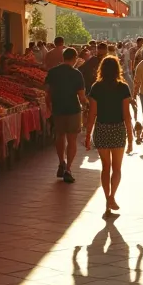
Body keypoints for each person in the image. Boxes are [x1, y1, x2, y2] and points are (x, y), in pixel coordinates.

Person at [84, 57, 133, 213]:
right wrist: (131, 138)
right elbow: (127, 115)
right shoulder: (123, 88)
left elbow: (92, 114)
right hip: (118, 129)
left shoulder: (96, 87)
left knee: (106, 167)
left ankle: (108, 199)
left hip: (102, 128)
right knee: (117, 168)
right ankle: (112, 197)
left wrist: (87, 136)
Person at [46, 47, 87, 184]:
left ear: (63, 57)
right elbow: (81, 96)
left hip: (58, 109)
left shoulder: (52, 72)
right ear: (75, 58)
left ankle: (61, 162)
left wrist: (49, 107)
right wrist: (87, 105)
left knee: (60, 136)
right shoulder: (77, 74)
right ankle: (68, 168)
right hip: (73, 109)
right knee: (72, 140)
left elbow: (48, 93)